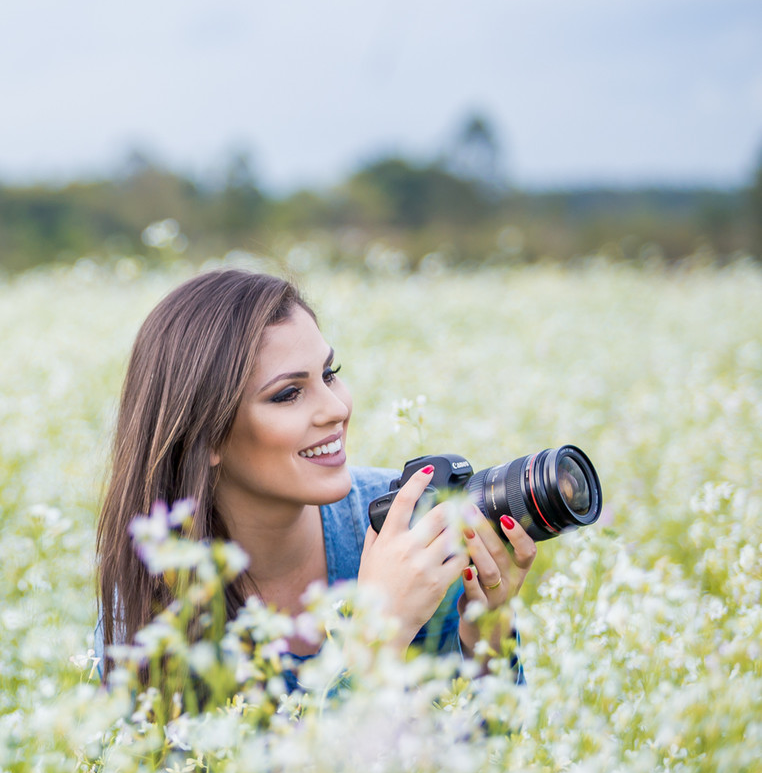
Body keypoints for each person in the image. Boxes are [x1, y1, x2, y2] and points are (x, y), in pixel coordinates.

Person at [94, 268, 535, 683]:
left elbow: (480, 755)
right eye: (288, 394)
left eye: (330, 374)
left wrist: (488, 639)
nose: (337, 409)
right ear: (205, 436)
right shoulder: (155, 596)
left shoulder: (409, 525)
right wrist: (378, 638)